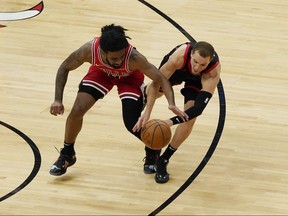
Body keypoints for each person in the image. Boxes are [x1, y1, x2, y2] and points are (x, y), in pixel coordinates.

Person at [49, 24, 187, 176]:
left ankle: (152, 148)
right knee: (77, 110)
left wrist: (171, 103)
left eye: (121, 56)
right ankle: (68, 153)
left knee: (131, 123)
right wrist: (57, 99)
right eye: (114, 58)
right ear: (102, 51)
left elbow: (161, 78)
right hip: (101, 73)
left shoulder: (134, 58)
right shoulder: (89, 50)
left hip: (129, 78)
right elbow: (64, 67)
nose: (119, 61)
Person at [133, 41, 221, 183]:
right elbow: (157, 83)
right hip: (178, 71)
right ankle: (144, 91)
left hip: (197, 82)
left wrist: (170, 122)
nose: (197, 67)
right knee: (155, 92)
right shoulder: (178, 57)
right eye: (195, 61)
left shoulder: (212, 73)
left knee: (190, 119)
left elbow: (198, 109)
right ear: (191, 54)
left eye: (202, 65)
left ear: (209, 62)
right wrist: (147, 113)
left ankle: (163, 159)